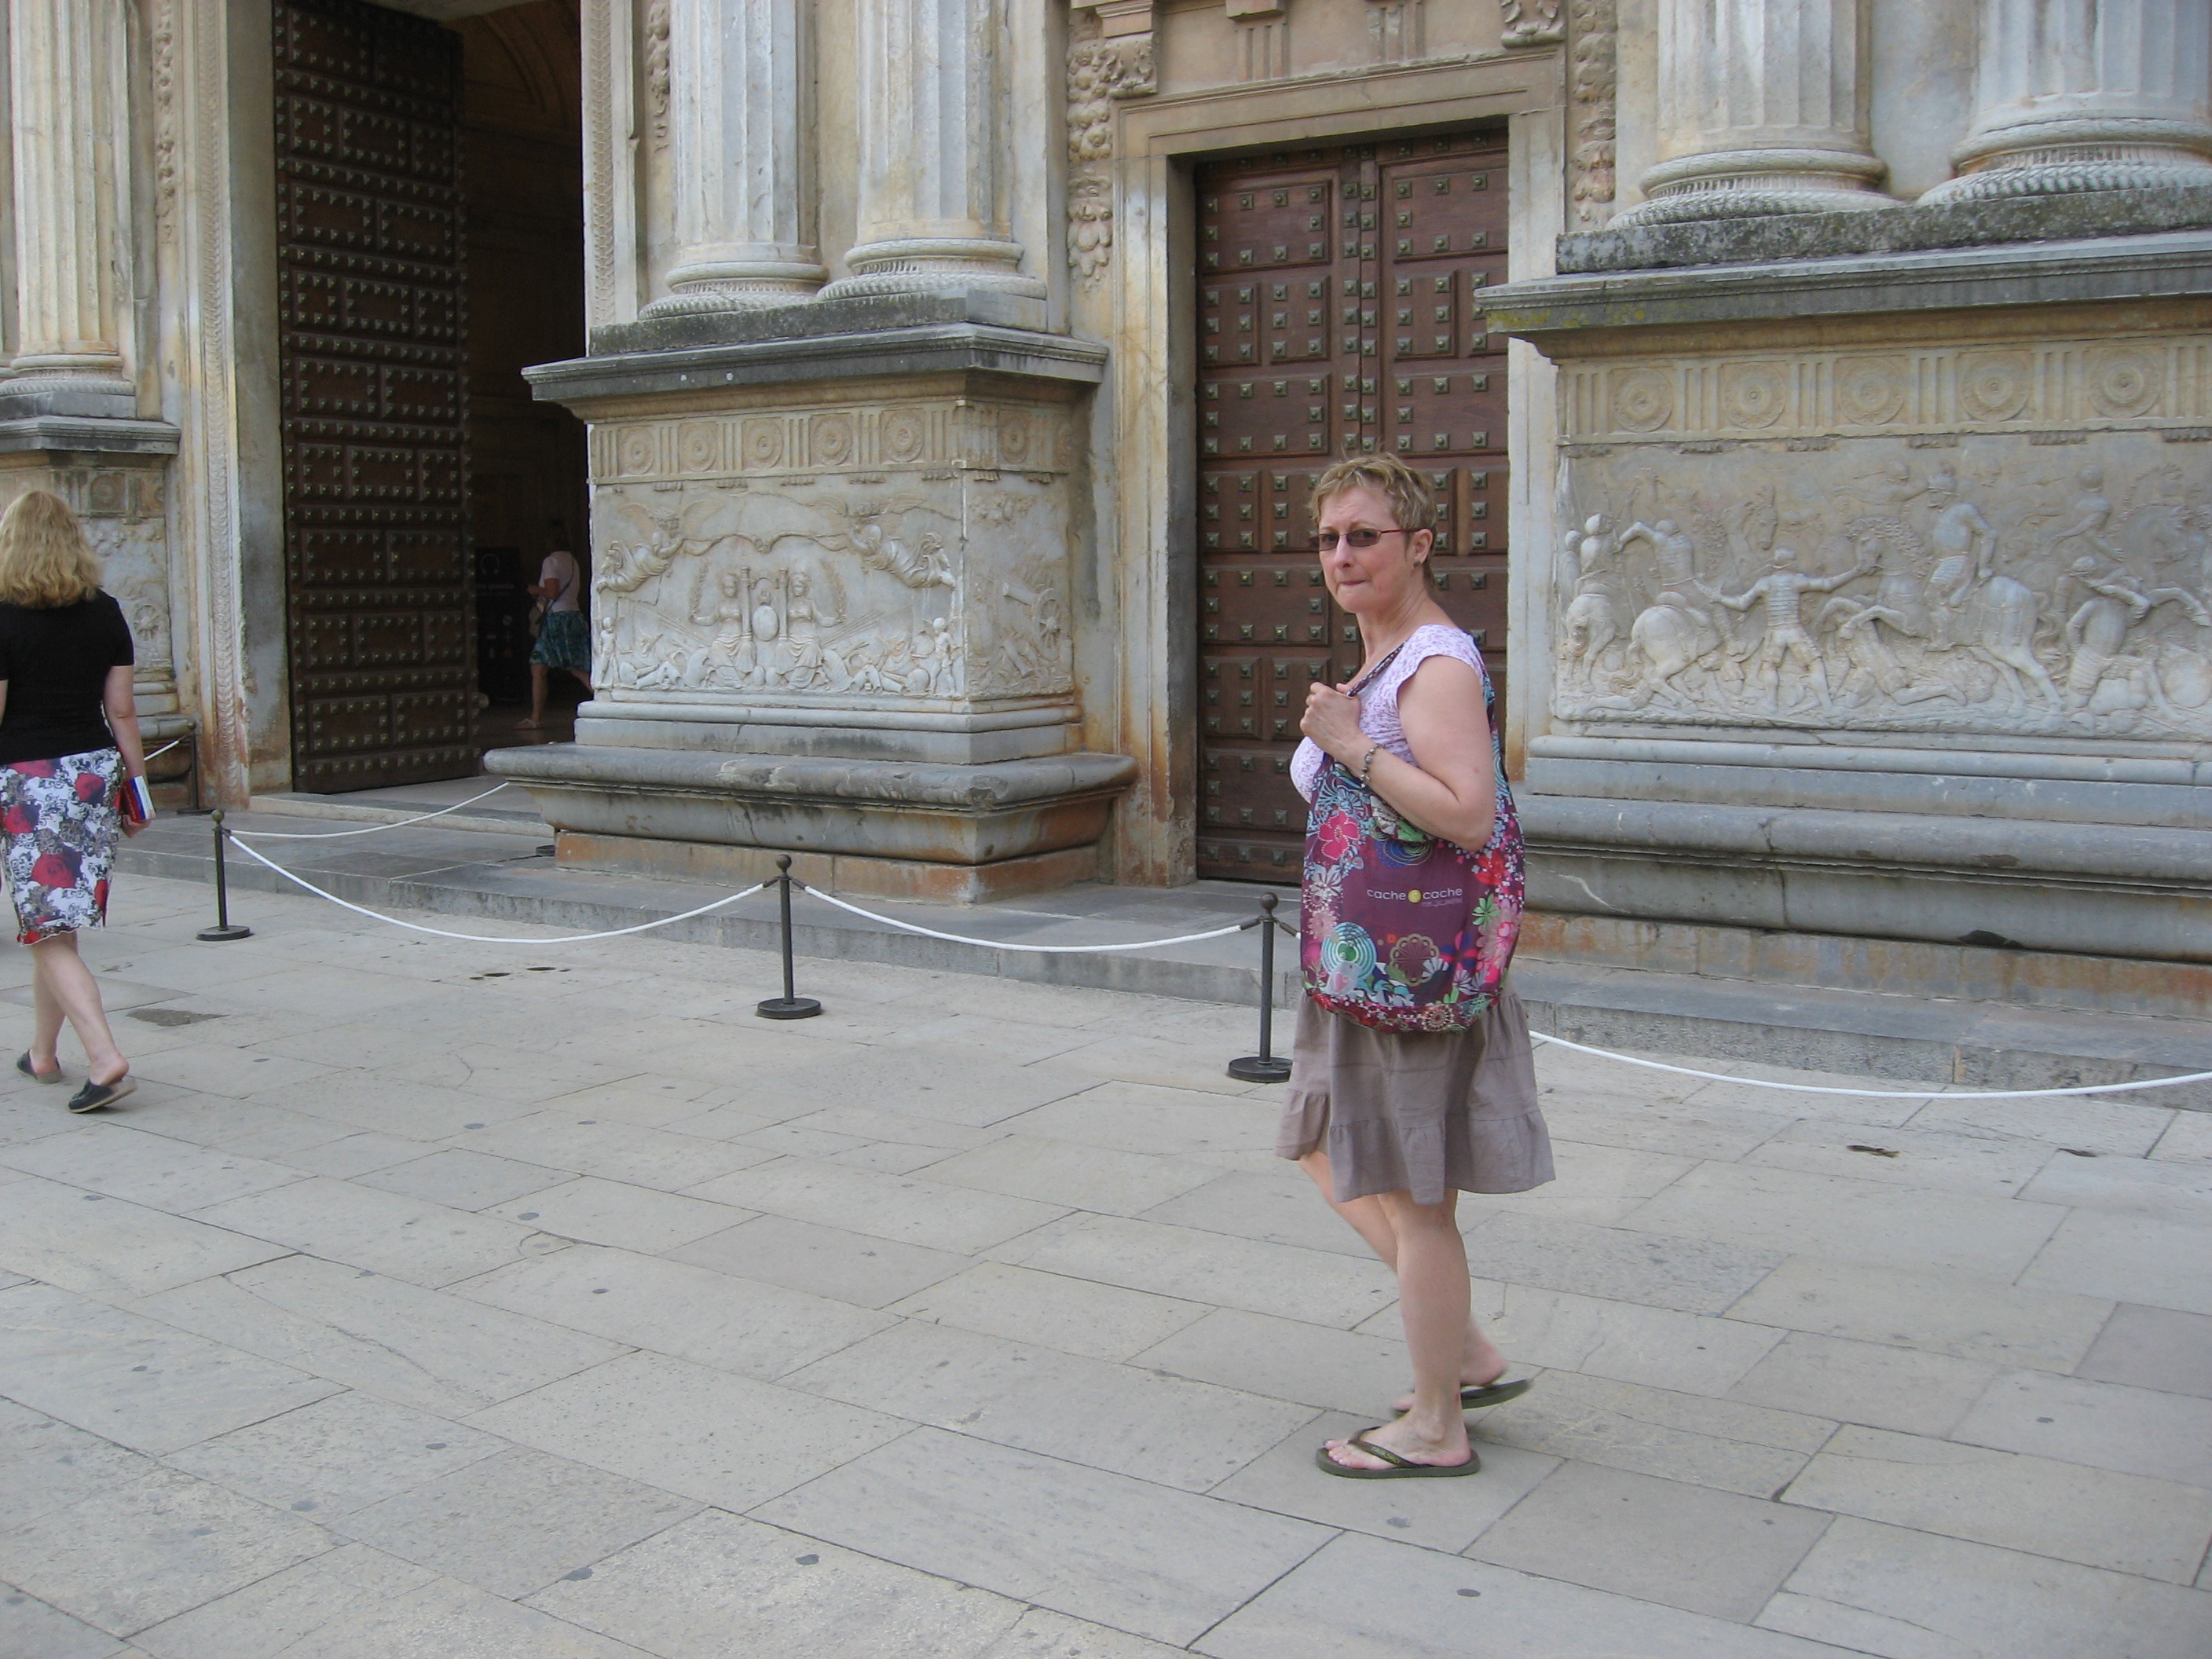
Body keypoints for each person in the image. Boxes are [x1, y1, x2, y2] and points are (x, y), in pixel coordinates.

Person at [1286, 454, 1553, 1478]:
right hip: (1360, 966)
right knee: (1322, 1143)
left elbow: (1468, 814)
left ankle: (1437, 1424)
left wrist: (1352, 745)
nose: (1341, 556)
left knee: (1416, 1196)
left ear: (1421, 545)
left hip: (1411, 969)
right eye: (1328, 539)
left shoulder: (1433, 665)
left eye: (1365, 536)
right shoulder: (1379, 659)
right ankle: (1463, 1351)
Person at [0, 491, 148, 1112]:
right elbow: (123, 711)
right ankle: (42, 1053)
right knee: (55, 925)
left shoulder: (3, 615)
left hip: (29, 781)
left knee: (46, 927)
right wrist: (137, 792)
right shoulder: (105, 611)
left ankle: (105, 1056)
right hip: (91, 775)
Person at [518, 524, 591, 729]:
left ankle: (536, 718)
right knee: (542, 666)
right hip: (573, 616)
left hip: (557, 620)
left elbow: (552, 593)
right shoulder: (572, 561)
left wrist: (535, 589)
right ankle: (535, 717)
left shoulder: (551, 562)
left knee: (573, 669)